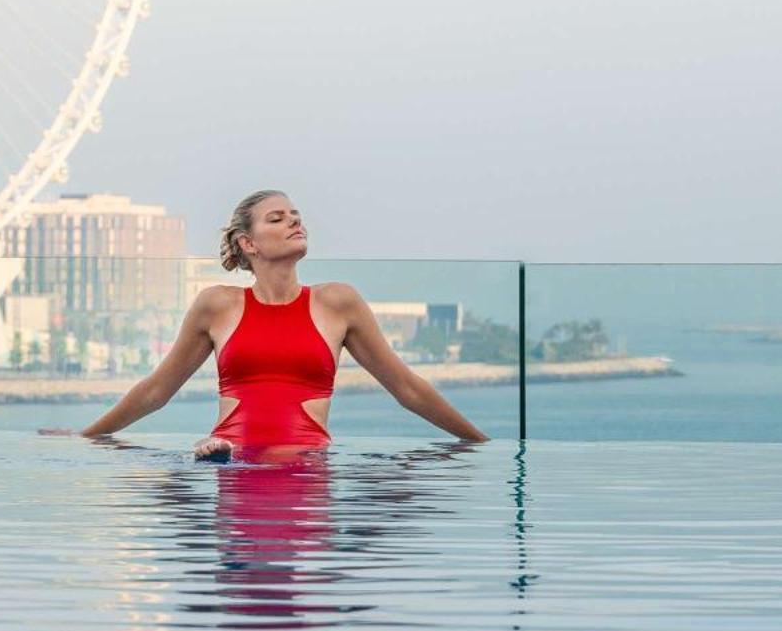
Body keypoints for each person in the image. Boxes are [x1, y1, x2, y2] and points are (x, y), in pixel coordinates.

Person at [74, 190, 487, 458]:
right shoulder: (216, 305)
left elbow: (408, 388)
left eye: (296, 215)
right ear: (248, 244)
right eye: (277, 218)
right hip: (227, 454)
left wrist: (479, 442)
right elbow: (156, 390)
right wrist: (86, 436)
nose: (294, 222)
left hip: (308, 460)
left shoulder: (338, 302)